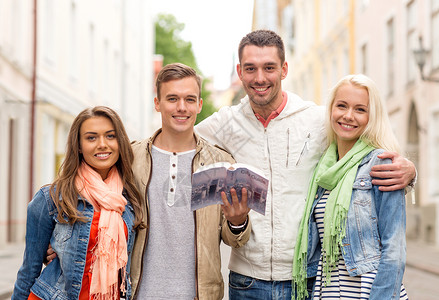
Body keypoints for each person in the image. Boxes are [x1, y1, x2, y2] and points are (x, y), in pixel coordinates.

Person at [195, 30, 416, 299]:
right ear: (240, 71)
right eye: (251, 69)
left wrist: (410, 170)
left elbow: (363, 144)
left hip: (305, 281)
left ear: (284, 69)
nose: (260, 78)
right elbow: (180, 141)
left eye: (269, 68)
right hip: (247, 281)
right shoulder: (225, 123)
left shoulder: (317, 119)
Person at [129, 62, 251, 299]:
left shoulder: (221, 163)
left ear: (199, 104)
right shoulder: (131, 158)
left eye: (190, 99)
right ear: (157, 103)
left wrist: (238, 221)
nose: (181, 107)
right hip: (138, 293)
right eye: (172, 99)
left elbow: (235, 240)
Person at [292, 74, 408, 300]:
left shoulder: (382, 164)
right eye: (342, 106)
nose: (348, 116)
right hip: (328, 292)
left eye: (360, 109)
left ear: (371, 117)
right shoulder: (322, 170)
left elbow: (394, 250)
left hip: (369, 293)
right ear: (331, 110)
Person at [12, 106, 144, 300]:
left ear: (120, 142)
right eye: (91, 137)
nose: (102, 144)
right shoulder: (52, 198)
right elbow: (29, 270)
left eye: (110, 136)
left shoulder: (129, 199)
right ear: (79, 146)